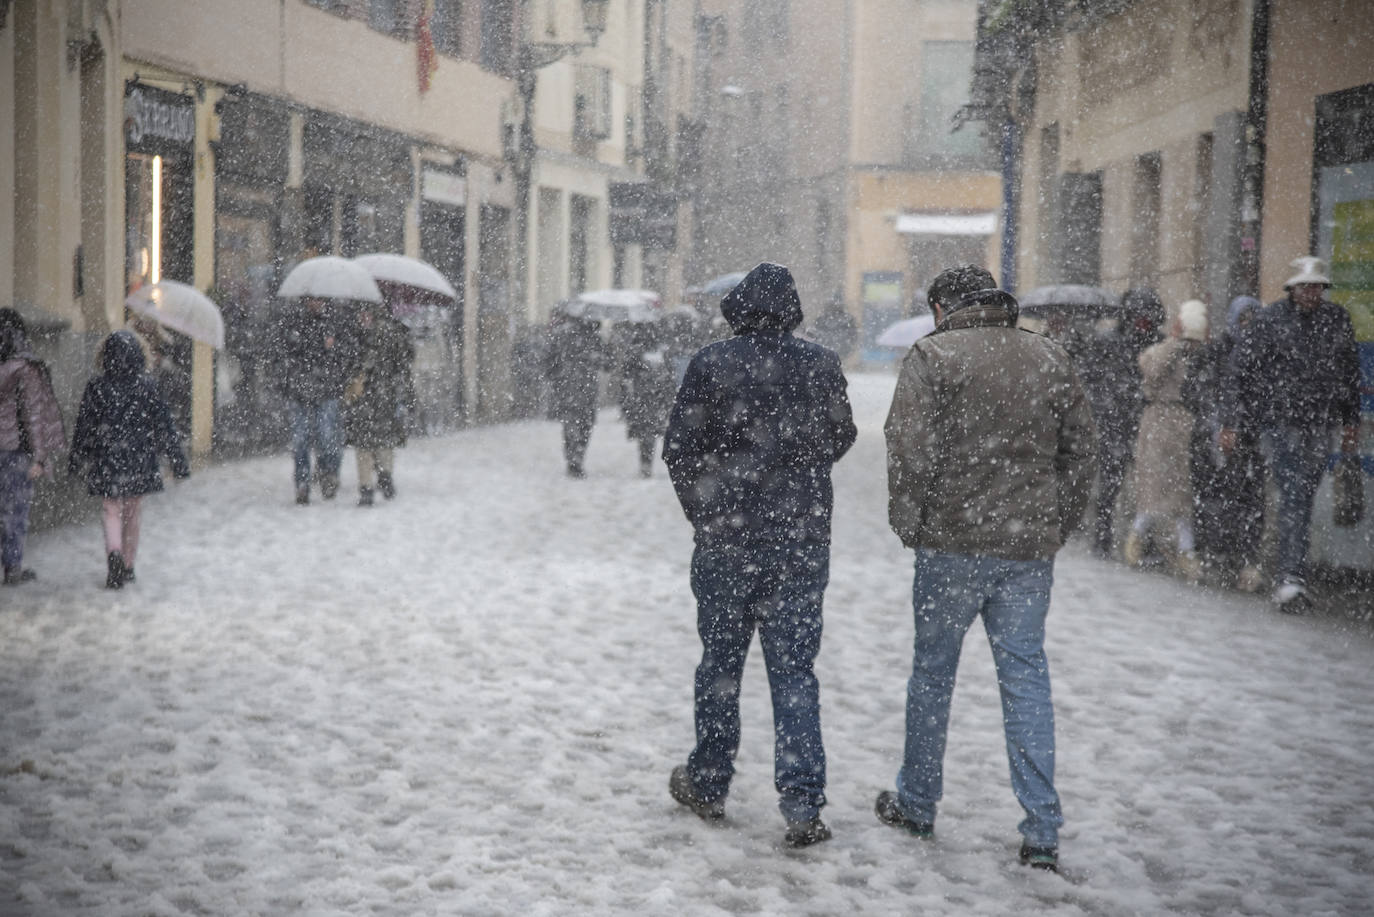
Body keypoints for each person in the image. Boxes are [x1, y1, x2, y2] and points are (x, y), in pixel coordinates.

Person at [879, 264, 1096, 872]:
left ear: (943, 309)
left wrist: (912, 521)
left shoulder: (934, 356)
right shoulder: (1050, 357)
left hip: (950, 542)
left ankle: (918, 801)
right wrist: (1057, 521)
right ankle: (1042, 828)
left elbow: (908, 445)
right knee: (1026, 678)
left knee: (932, 675)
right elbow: (1081, 449)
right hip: (1027, 549)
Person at [663, 262, 856, 849]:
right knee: (795, 670)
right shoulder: (820, 364)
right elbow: (840, 435)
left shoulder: (711, 364)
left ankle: (710, 780)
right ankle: (801, 802)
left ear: (738, 309)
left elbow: (679, 449)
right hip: (799, 542)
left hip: (727, 542)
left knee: (720, 665)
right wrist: (795, 480)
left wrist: (710, 509)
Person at [1220, 257, 1361, 613]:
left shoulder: (1336, 320)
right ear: (1292, 289)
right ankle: (1290, 577)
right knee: (1293, 496)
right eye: (1305, 286)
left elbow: (1347, 373)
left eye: (1317, 286)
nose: (1312, 292)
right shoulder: (1270, 320)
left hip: (1319, 422)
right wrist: (1234, 420)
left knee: (1301, 497)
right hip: (1281, 423)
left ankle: (1289, 574)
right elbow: (1241, 370)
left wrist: (1349, 421)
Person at [68, 331, 189, 589]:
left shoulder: (96, 386)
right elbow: (165, 425)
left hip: (107, 455)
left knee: (111, 509)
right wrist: (178, 460)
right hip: (139, 458)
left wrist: (77, 458)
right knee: (132, 512)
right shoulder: (148, 385)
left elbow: (85, 426)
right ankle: (128, 564)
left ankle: (113, 551)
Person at [1074, 288, 1163, 557]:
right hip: (1113, 423)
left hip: (1146, 424)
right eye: (1138, 316)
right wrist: (1103, 404)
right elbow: (1088, 378)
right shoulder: (1107, 342)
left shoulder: (1158, 344)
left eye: (1147, 317)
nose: (1142, 322)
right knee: (1110, 486)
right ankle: (1103, 536)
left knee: (1148, 489)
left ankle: (1144, 542)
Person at [1123, 299, 1209, 579]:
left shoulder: (1197, 357)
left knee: (1180, 495)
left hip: (1185, 426)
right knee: (1155, 489)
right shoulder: (1161, 352)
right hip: (1160, 426)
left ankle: (1185, 551)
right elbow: (1152, 371)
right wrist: (1174, 342)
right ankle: (1137, 538)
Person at [1190, 296, 1266, 590]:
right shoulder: (1216, 351)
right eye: (1244, 319)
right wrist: (1215, 418)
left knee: (1251, 501)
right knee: (1215, 499)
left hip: (1251, 438)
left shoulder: (1264, 351)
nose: (1248, 326)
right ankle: (1215, 555)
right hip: (1213, 440)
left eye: (1253, 320)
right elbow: (1194, 390)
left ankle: (1245, 559)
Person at [0, 309, 66, 586]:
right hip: (14, 450)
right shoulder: (25, 368)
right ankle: (12, 567)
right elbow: (33, 415)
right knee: (14, 510)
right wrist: (39, 456)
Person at [273, 297, 360, 504]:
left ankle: (329, 473)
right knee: (301, 439)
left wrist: (332, 352)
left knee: (327, 436)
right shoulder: (294, 323)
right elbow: (284, 354)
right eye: (311, 299)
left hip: (327, 390)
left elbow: (346, 354)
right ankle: (303, 483)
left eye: (318, 299)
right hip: (301, 390)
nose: (314, 303)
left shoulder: (336, 323)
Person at [344, 303, 415, 506]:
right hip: (368, 397)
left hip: (380, 396)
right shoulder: (358, 334)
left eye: (366, 312)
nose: (363, 317)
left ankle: (380, 478)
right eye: (361, 313)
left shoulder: (386, 333)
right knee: (367, 443)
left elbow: (402, 364)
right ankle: (372, 483)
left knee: (377, 441)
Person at [543, 311, 608, 478]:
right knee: (583, 425)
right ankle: (576, 458)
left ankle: (573, 459)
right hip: (583, 389)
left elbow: (549, 362)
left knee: (573, 424)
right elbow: (607, 364)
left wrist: (555, 377)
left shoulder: (562, 335)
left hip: (570, 389)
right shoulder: (592, 338)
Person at [616, 321, 676, 477]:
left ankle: (645, 463)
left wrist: (625, 403)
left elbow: (626, 377)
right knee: (658, 432)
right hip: (658, 398)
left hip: (642, 398)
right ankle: (659, 463)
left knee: (645, 434)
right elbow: (671, 376)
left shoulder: (635, 350)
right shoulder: (663, 351)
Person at [808, 293, 859, 361]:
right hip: (840, 350)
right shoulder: (847, 319)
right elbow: (853, 335)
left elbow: (815, 335)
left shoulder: (822, 318)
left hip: (826, 352)